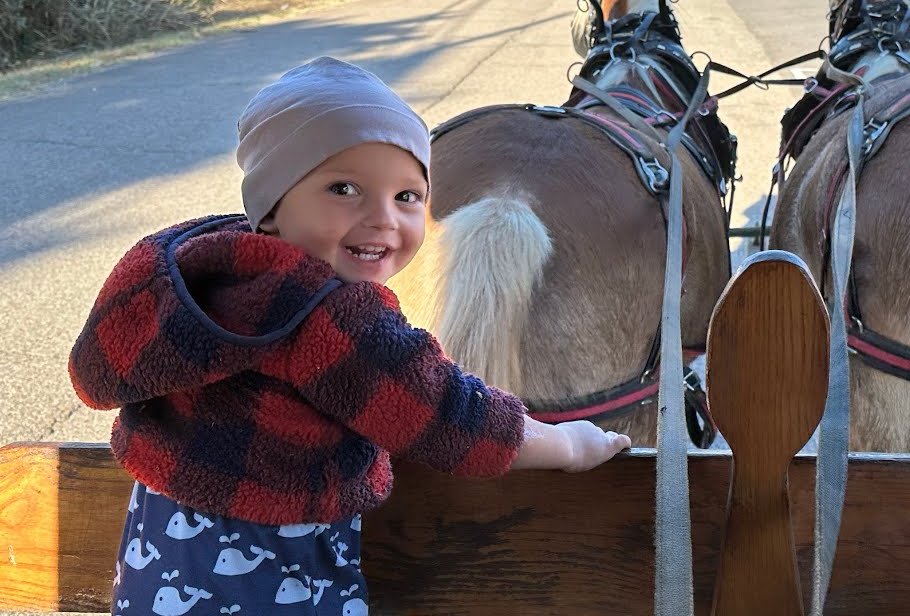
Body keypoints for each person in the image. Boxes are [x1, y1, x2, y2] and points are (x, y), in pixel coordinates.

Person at [68, 56, 631, 616]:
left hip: (157, 567)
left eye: (407, 196)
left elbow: (97, 373)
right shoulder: (329, 317)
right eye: (344, 188)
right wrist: (568, 444)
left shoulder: (199, 268)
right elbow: (444, 415)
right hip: (269, 580)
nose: (384, 218)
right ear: (270, 205)